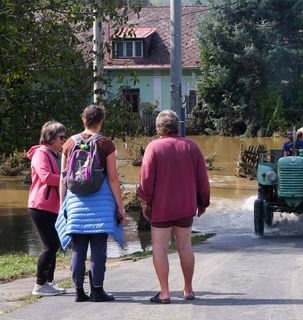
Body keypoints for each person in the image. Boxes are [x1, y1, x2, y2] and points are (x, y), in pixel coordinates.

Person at [136, 110, 210, 304]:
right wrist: (203, 203)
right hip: (185, 207)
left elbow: (145, 180)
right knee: (185, 247)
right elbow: (203, 180)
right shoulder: (192, 147)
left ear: (158, 128)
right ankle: (188, 289)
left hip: (160, 208)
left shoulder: (153, 147)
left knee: (159, 248)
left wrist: (144, 202)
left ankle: (165, 292)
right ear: (178, 126)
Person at [56, 105, 126, 302]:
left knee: (78, 248)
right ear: (100, 121)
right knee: (98, 249)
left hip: (76, 204)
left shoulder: (69, 143)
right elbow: (112, 178)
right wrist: (120, 206)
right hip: (101, 206)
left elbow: (63, 177)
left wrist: (63, 204)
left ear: (83, 120)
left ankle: (79, 292)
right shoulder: (106, 144)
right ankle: (97, 291)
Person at [27, 121, 67, 296]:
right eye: (61, 137)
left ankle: (48, 282)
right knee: (49, 245)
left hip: (52, 207)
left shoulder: (55, 154)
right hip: (41, 206)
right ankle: (39, 285)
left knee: (54, 244)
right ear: (50, 137)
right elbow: (46, 177)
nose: (63, 140)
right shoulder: (41, 153)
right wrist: (67, 178)